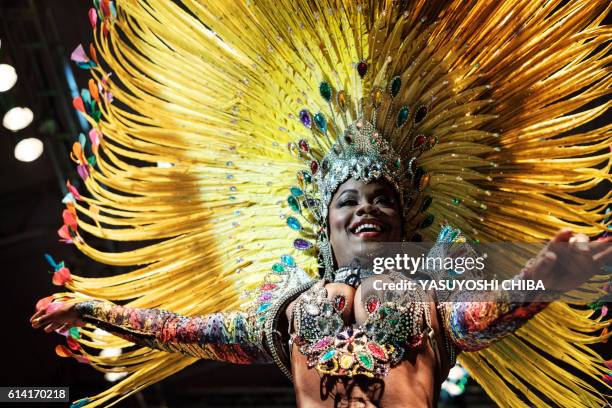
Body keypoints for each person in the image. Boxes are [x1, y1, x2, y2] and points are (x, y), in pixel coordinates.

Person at [30, 1, 610, 407]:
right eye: (349, 200)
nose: (368, 209)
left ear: (406, 225)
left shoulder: (434, 292)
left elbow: (481, 319)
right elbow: (184, 330)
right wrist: (94, 310)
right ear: (323, 224)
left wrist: (543, 280)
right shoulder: (286, 309)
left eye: (385, 199)